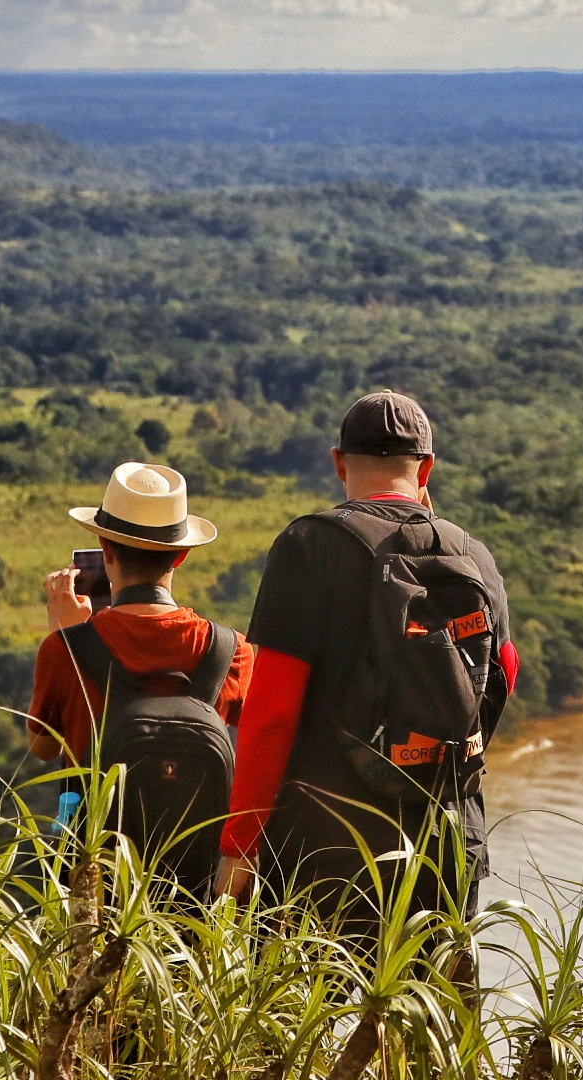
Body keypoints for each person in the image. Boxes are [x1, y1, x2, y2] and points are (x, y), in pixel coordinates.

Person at [214, 391, 518, 923]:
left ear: (338, 463)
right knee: (432, 1006)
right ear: (426, 468)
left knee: (300, 1007)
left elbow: (271, 715)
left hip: (327, 845)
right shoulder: (472, 555)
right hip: (446, 843)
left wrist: (239, 846)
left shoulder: (310, 545)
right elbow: (502, 674)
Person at [31, 462, 255, 885]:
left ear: (105, 549)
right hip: (197, 888)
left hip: (93, 883)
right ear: (183, 554)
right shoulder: (230, 650)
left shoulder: (65, 649)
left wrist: (66, 635)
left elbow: (43, 746)